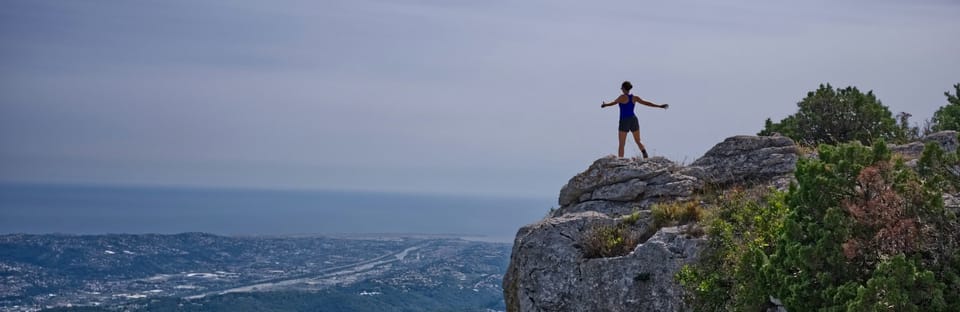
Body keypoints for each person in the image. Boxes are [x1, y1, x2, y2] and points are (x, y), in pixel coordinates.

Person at [600, 81, 668, 158]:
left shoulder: (622, 97)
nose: (621, 89)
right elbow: (646, 103)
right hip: (633, 119)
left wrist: (605, 105)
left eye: (621, 88)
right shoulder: (634, 98)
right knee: (638, 140)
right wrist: (659, 106)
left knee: (622, 143)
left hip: (624, 120)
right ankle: (644, 153)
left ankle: (620, 160)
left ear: (623, 88)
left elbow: (613, 103)